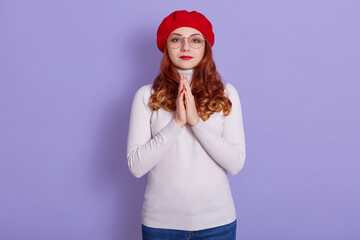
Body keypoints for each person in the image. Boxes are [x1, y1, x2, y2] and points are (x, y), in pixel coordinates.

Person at [127, 10, 246, 240]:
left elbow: (236, 163)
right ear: (166, 47)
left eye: (194, 39)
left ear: (205, 47)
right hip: (161, 225)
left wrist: (196, 123)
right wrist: (177, 123)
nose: (185, 47)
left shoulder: (226, 94)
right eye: (176, 39)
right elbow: (136, 166)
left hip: (217, 224)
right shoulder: (146, 96)